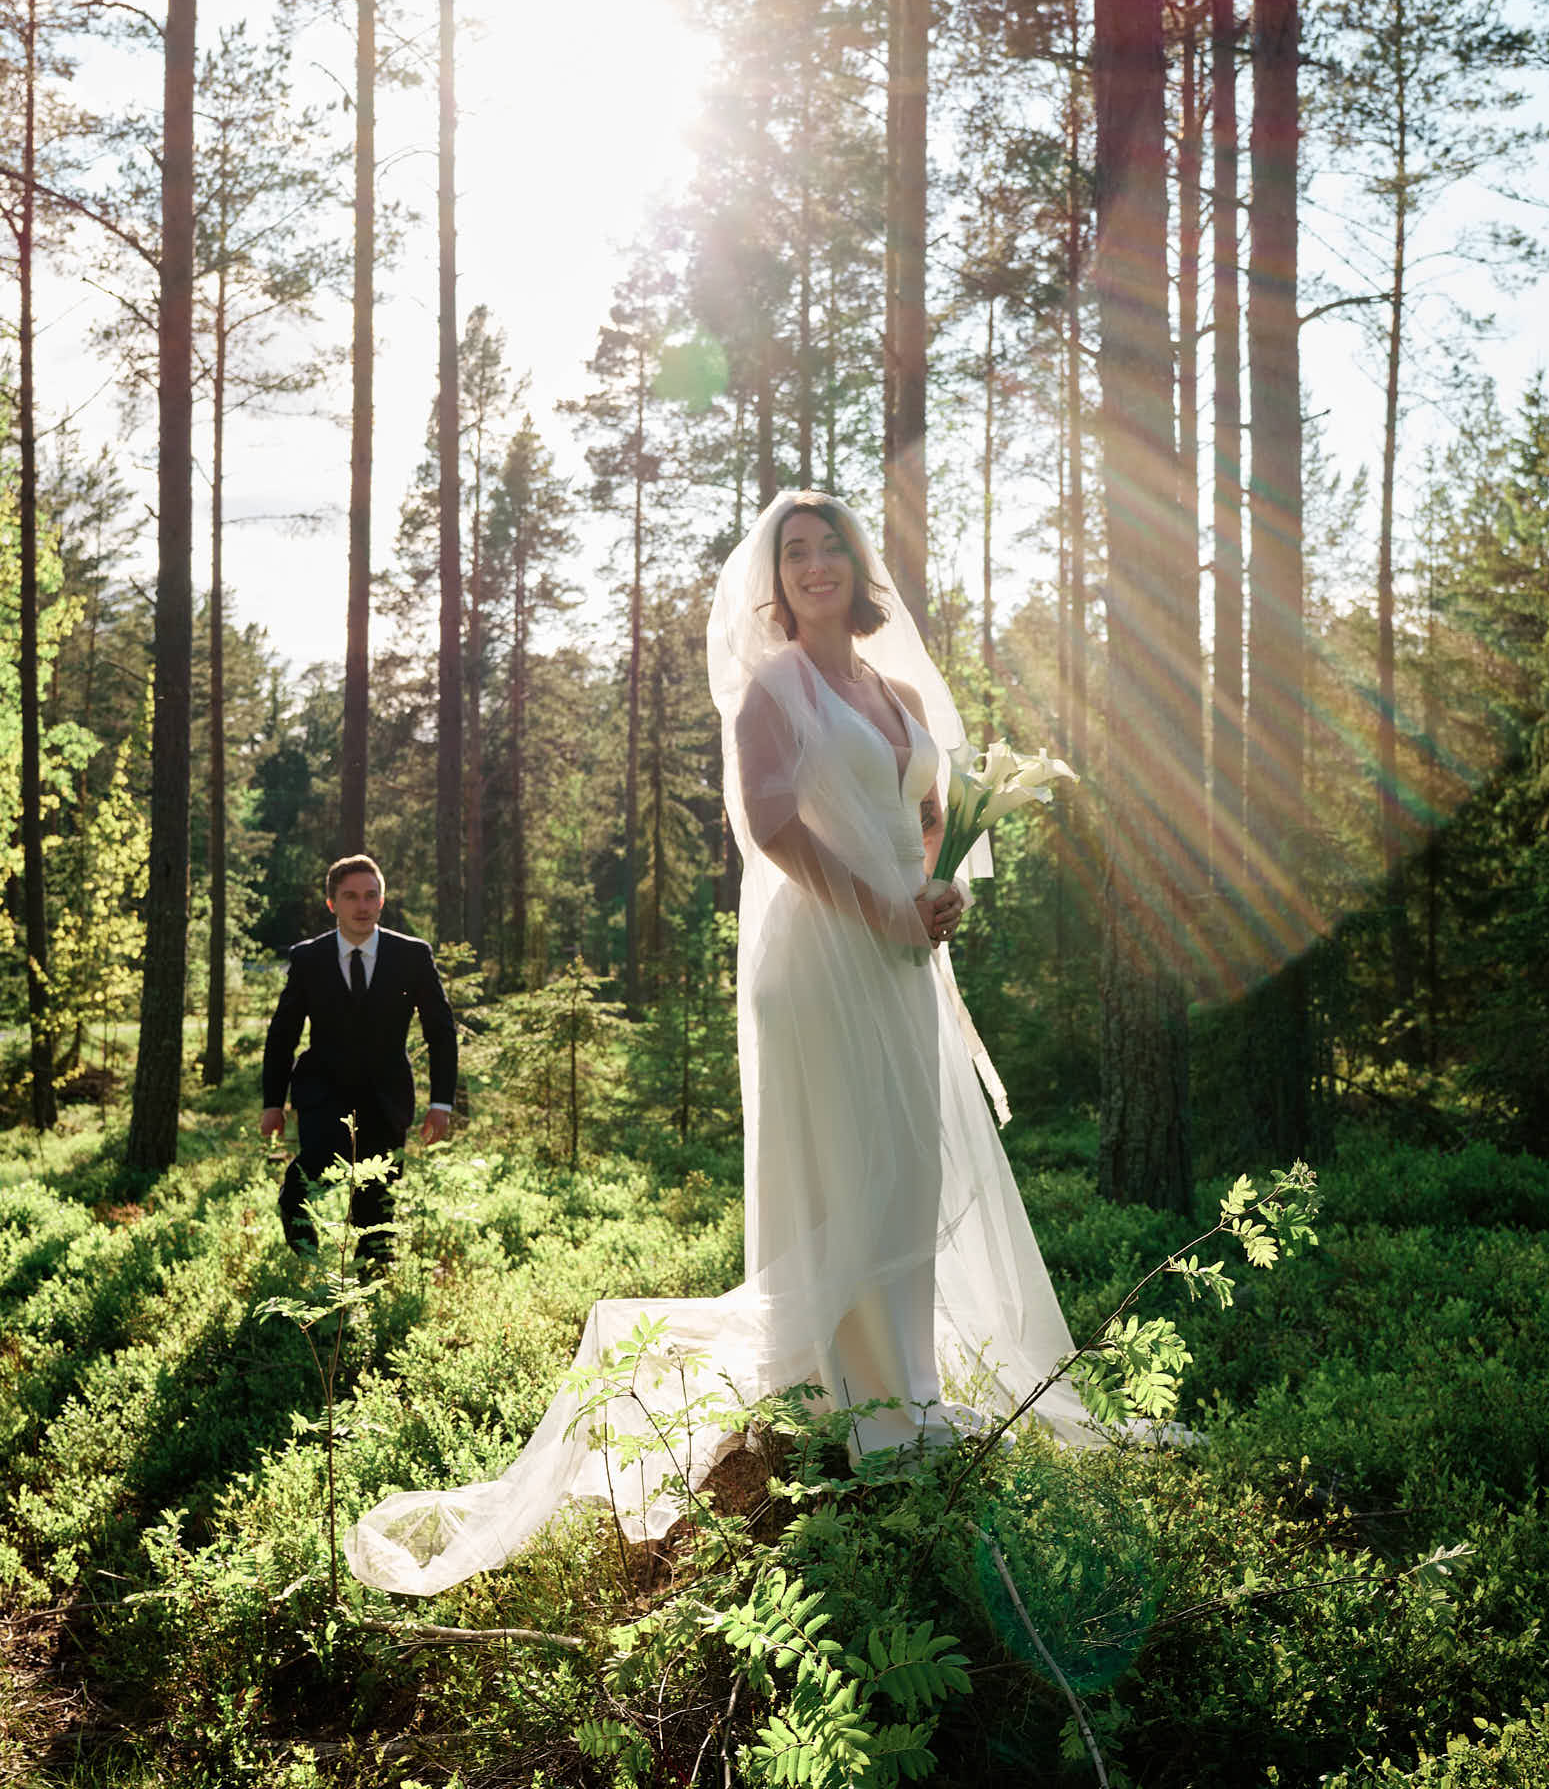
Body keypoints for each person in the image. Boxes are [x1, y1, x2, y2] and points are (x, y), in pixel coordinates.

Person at [342, 493, 1096, 1597]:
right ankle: (864, 1406)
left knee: (912, 1163)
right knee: (852, 1164)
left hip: (900, 953)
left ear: (860, 565)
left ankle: (909, 1387)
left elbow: (930, 812)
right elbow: (773, 826)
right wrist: (882, 911)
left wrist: (936, 894)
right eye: (795, 553)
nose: (815, 565)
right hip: (823, 953)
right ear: (776, 581)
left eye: (830, 547)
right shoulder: (770, 690)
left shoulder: (891, 691)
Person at [261, 854, 457, 1254]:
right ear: (332, 903)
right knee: (300, 1187)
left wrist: (441, 1104)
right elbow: (282, 1035)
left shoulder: (412, 956)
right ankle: (308, 1266)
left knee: (375, 1209)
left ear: (381, 901)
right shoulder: (308, 958)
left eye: (370, 895)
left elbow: (441, 1033)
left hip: (386, 1099)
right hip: (322, 1094)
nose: (362, 906)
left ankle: (371, 1279)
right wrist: (272, 1104)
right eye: (350, 896)